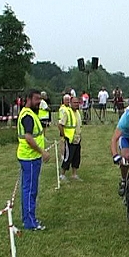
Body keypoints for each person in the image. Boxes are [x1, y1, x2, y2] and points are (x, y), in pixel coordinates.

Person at [17, 89, 50, 231]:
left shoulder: (29, 114)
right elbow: (29, 138)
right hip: (29, 158)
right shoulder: (27, 116)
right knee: (30, 190)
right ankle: (30, 222)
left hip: (30, 157)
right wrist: (42, 152)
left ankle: (28, 218)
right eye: (36, 99)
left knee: (29, 189)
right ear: (28, 99)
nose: (39, 102)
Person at [58, 97, 83, 181]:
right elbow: (60, 124)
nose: (76, 104)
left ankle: (74, 174)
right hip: (70, 139)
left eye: (77, 102)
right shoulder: (67, 112)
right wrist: (64, 135)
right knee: (68, 157)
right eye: (74, 102)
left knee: (77, 157)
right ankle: (62, 174)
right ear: (70, 103)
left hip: (77, 138)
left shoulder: (78, 112)